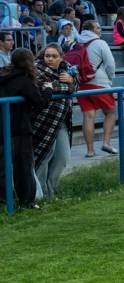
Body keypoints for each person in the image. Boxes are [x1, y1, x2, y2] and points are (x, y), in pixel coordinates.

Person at [0, 48, 52, 208]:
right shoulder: (24, 80)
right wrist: (48, 90)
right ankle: (27, 201)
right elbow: (40, 102)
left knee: (2, 166)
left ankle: (4, 201)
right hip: (19, 128)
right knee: (23, 165)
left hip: (2, 126)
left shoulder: (3, 76)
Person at [32, 44, 78, 198]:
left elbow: (75, 85)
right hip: (43, 121)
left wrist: (71, 81)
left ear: (61, 57)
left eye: (54, 56)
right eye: (47, 56)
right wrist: (68, 85)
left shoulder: (67, 68)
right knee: (43, 157)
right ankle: (41, 195)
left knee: (63, 157)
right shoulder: (36, 69)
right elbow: (43, 87)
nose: (50, 59)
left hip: (61, 120)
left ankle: (51, 190)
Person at [75, 20, 117, 157]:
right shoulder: (100, 43)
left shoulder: (76, 43)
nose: (100, 30)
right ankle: (106, 143)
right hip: (99, 83)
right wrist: (110, 78)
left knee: (88, 116)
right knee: (111, 112)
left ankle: (90, 151)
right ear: (91, 30)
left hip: (81, 84)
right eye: (98, 28)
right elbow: (110, 64)